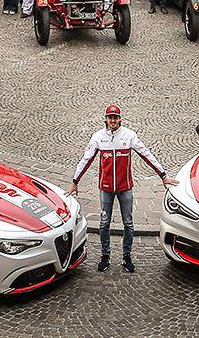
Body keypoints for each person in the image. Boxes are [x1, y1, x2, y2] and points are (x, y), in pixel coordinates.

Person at [67, 105, 175, 274]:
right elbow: (86, 159)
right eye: (110, 117)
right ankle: (105, 256)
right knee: (104, 223)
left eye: (115, 117)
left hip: (125, 188)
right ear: (105, 119)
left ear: (120, 119)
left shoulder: (129, 135)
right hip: (106, 188)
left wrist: (163, 175)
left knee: (129, 224)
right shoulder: (98, 137)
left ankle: (127, 257)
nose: (113, 121)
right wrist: (75, 181)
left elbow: (146, 154)